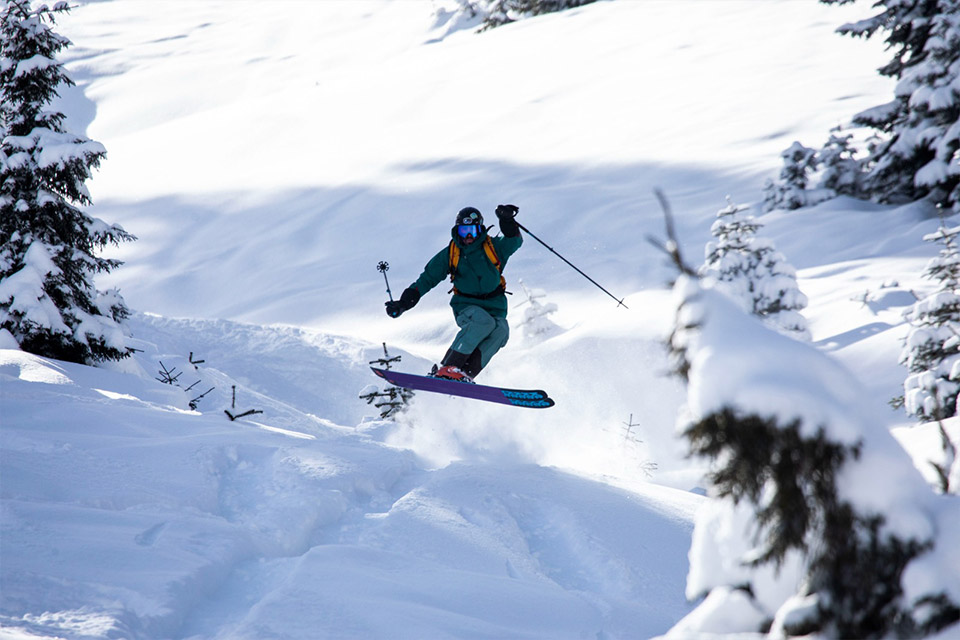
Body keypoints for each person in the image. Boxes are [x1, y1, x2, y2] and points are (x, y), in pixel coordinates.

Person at [385, 204, 523, 383]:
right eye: (464, 230)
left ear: (480, 229)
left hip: (495, 305)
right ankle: (448, 367)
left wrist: (506, 220)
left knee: (501, 331)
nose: (468, 236)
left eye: (472, 230)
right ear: (457, 230)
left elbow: (514, 240)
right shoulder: (451, 253)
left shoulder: (494, 247)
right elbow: (427, 279)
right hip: (465, 305)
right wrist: (403, 303)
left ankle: (465, 374)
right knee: (482, 321)